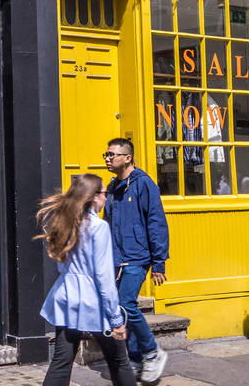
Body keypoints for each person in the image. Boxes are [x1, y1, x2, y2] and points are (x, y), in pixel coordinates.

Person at [38, 173, 136, 386]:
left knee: (61, 361)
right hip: (93, 301)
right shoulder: (98, 227)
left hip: (67, 296)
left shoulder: (65, 223)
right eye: (105, 193)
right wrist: (116, 319)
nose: (106, 197)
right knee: (119, 360)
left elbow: (61, 264)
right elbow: (103, 276)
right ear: (93, 197)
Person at [103, 138, 170, 383]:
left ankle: (152, 352)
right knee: (121, 310)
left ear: (127, 157)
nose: (108, 159)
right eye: (106, 155)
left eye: (112, 154)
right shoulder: (112, 186)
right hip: (116, 259)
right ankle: (134, 357)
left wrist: (159, 261)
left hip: (137, 257)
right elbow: (107, 224)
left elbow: (156, 221)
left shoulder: (144, 184)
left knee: (126, 304)